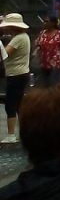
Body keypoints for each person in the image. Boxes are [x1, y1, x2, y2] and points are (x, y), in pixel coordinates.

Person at [1, 12, 31, 144]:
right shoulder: (22, 36)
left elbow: (4, 55)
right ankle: (23, 132)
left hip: (16, 75)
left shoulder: (18, 38)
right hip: (20, 73)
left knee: (11, 104)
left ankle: (11, 134)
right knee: (18, 104)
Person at [34, 14, 60, 87]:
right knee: (45, 84)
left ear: (53, 23)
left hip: (56, 64)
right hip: (44, 63)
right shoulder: (42, 33)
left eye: (46, 21)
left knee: (54, 84)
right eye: (44, 21)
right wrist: (36, 52)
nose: (44, 23)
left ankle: (56, 97)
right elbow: (38, 44)